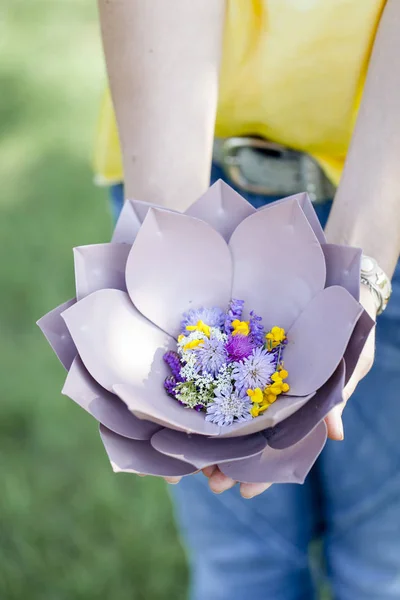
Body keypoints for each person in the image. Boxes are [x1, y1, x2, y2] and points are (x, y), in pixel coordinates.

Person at [95, 1, 400, 598]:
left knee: (386, 562)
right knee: (240, 562)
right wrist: (167, 237)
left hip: (389, 185)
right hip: (183, 139)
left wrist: (362, 269)